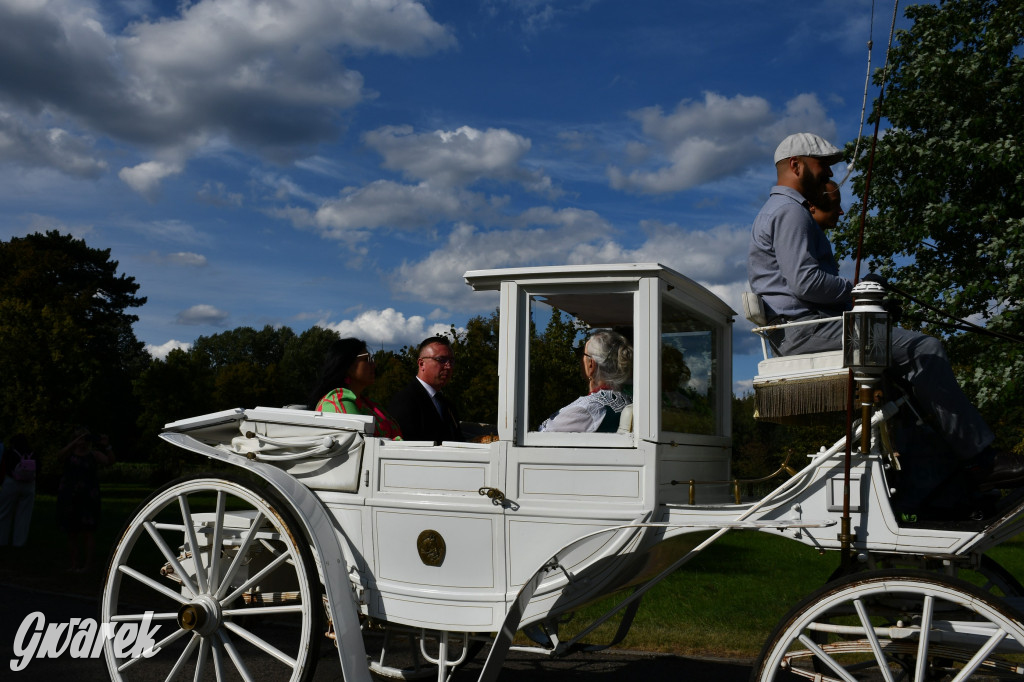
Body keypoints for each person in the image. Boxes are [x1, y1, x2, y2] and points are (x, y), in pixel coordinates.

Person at [748, 132, 1024, 492]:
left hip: (803, 328)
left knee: (904, 372)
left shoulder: (781, 211)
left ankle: (929, 476)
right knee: (924, 349)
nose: (828, 175)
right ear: (796, 165)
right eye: (823, 167)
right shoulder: (790, 212)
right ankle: (979, 461)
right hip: (805, 330)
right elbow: (807, 283)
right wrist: (862, 291)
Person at [539, 330, 633, 432]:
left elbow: (541, 436)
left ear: (591, 364)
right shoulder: (628, 401)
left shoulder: (586, 410)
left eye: (581, 353)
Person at [309, 338, 402, 439]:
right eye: (366, 360)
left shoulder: (370, 403)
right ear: (348, 366)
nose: (374, 365)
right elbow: (364, 445)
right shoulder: (338, 402)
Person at [57, 429, 114, 572]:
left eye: (84, 439)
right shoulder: (69, 455)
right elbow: (59, 456)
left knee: (88, 532)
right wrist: (74, 443)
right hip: (70, 496)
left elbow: (109, 461)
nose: (82, 443)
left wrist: (107, 446)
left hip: (88, 497)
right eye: (79, 439)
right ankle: (74, 563)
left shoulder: (93, 455)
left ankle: (87, 565)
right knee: (71, 531)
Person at [388, 336, 464, 444]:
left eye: (451, 361)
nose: (448, 366)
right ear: (421, 363)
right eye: (441, 360)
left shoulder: (446, 404)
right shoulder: (405, 401)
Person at [0, 434, 37, 548]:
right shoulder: (33, 453)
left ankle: (2, 539)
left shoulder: (10, 453)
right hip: (29, 485)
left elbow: (5, 467)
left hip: (12, 483)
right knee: (24, 515)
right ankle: (19, 542)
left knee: (4, 513)